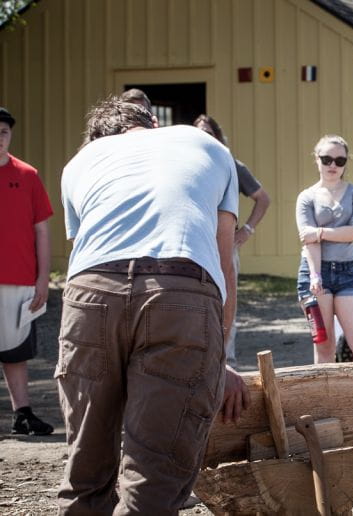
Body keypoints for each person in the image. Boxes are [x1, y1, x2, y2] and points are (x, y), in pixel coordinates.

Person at [57, 97, 250, 513]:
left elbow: (87, 252)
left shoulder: (79, 162)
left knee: (86, 464)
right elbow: (223, 260)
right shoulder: (210, 147)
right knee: (155, 471)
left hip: (92, 293)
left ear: (100, 137)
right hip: (179, 288)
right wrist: (217, 355)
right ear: (149, 124)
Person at [194, 114, 271, 367]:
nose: (204, 137)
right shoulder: (186, 164)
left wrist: (247, 229)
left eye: (209, 132)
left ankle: (227, 359)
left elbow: (263, 198)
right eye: (199, 132)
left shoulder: (230, 164)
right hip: (195, 244)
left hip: (225, 243)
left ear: (218, 137)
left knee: (227, 298)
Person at [0, 107, 54, 436]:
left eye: (4, 132)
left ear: (10, 135)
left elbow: (43, 231)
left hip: (20, 280)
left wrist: (43, 278)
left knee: (16, 351)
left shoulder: (28, 175)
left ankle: (22, 414)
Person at [296, 135, 353, 363]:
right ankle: (324, 399)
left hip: (348, 273)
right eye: (327, 159)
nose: (332, 165)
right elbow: (307, 240)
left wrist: (320, 232)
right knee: (324, 346)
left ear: (346, 163)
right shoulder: (306, 197)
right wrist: (315, 275)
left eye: (340, 161)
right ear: (317, 160)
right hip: (315, 273)